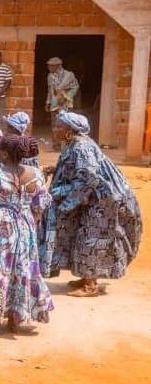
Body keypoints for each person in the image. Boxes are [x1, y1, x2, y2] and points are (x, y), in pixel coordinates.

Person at [39, 112, 142, 298]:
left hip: (101, 201)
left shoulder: (81, 147)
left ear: (70, 130)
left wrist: (62, 197)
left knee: (92, 240)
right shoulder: (73, 144)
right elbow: (79, 169)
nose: (55, 130)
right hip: (91, 199)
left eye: (59, 127)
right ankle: (86, 277)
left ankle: (91, 285)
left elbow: (89, 178)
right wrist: (57, 170)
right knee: (82, 236)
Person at [0, 135, 54, 333]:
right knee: (23, 269)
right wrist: (31, 224)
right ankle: (16, 317)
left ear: (4, 153)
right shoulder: (36, 175)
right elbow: (39, 205)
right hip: (26, 226)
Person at [45, 57, 80, 149]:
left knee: (66, 124)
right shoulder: (50, 76)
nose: (49, 68)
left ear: (58, 66)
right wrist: (48, 102)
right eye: (49, 66)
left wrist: (66, 96)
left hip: (66, 103)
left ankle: (67, 143)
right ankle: (56, 144)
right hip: (55, 102)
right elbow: (50, 90)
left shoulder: (69, 75)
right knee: (55, 124)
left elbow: (75, 87)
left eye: (51, 66)